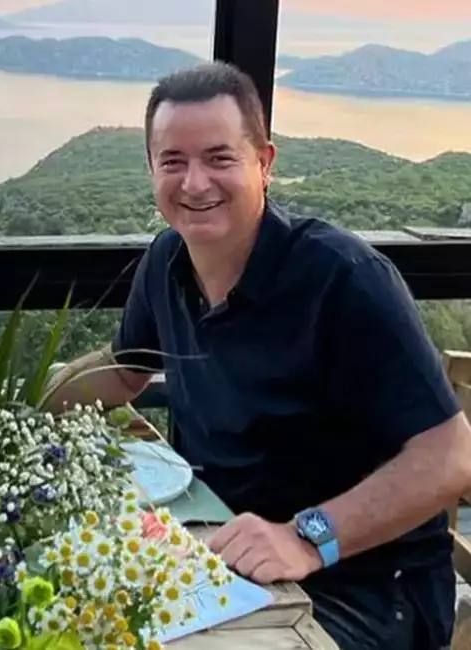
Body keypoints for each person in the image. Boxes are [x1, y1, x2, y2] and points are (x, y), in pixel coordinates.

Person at [46, 62, 471, 650]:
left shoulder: (343, 280)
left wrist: (305, 538)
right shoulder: (166, 263)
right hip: (223, 550)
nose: (195, 183)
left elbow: (450, 455)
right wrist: (14, 408)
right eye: (173, 161)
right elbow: (123, 369)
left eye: (219, 158)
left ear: (264, 163)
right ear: (151, 169)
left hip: (366, 584)